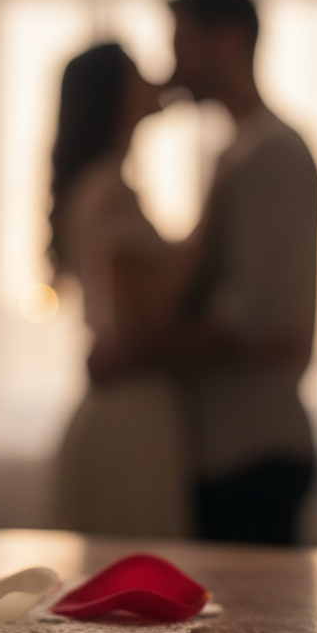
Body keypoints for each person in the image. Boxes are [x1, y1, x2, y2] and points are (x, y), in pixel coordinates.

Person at [161, 0, 317, 544]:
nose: (173, 66)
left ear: (228, 41)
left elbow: (246, 317)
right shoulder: (238, 151)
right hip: (231, 446)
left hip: (253, 446)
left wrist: (137, 355)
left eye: (182, 45)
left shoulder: (272, 153)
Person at [48, 43, 203, 537]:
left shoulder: (91, 187)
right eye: (136, 72)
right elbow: (136, 317)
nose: (153, 80)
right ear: (113, 94)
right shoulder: (111, 191)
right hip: (133, 412)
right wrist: (208, 231)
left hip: (115, 408)